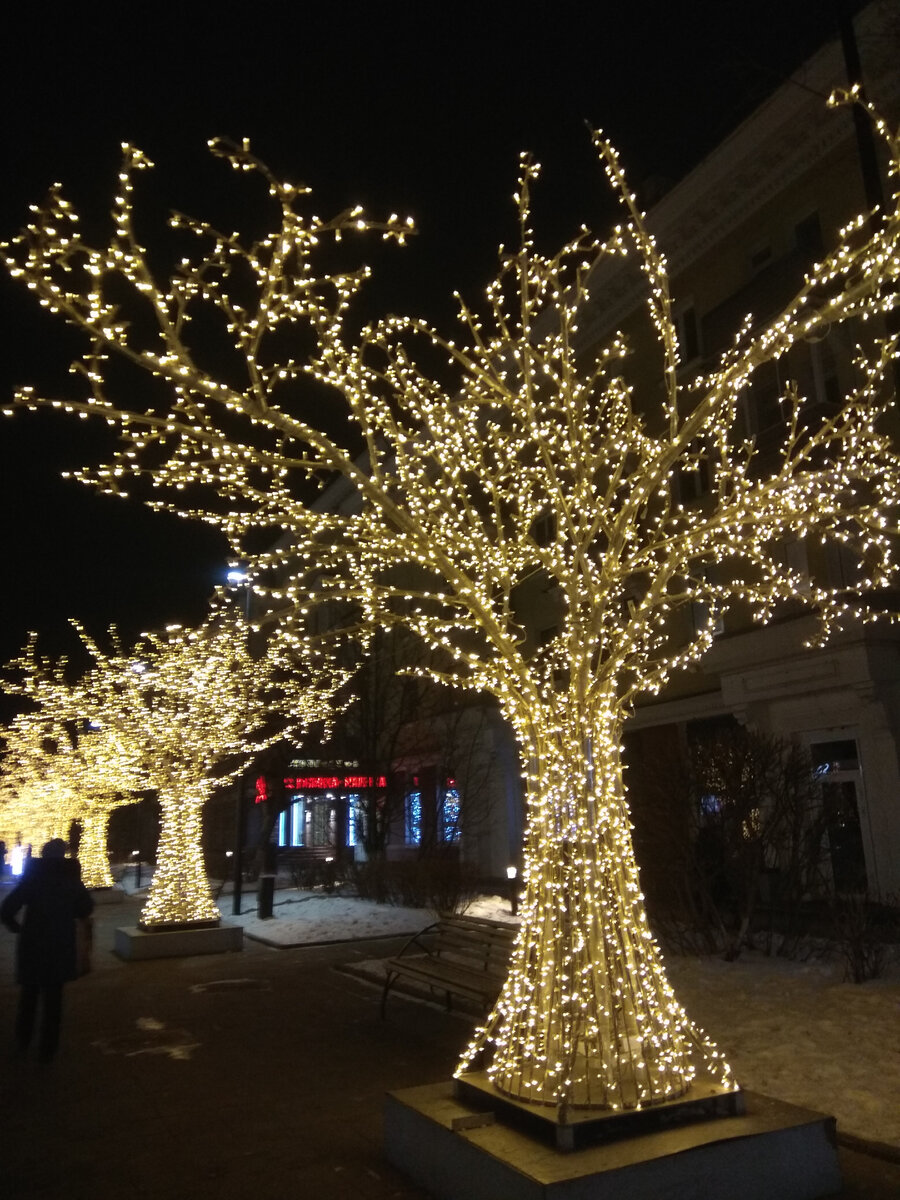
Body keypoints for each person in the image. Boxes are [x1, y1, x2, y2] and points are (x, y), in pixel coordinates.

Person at [1, 838, 94, 1062]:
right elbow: (85, 908)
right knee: (54, 1000)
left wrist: (17, 928)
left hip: (33, 943)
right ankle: (48, 1049)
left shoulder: (33, 878)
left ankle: (23, 1040)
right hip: (59, 944)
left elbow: (7, 908)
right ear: (63, 854)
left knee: (29, 996)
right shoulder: (71, 879)